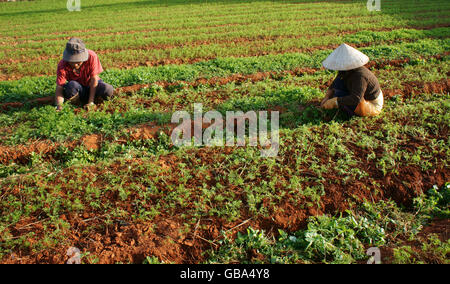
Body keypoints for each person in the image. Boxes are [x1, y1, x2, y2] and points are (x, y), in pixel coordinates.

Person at [320, 43, 383, 117]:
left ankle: (349, 114)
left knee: (339, 95)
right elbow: (335, 84)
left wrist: (336, 101)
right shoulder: (346, 71)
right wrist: (327, 97)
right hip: (361, 96)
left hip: (371, 104)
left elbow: (356, 98)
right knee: (338, 86)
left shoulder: (360, 76)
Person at [55, 38, 114, 111]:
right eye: (72, 61)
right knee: (71, 86)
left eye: (78, 61)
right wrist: (59, 106)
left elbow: (94, 79)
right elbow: (59, 87)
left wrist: (91, 102)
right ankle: (78, 104)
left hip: (92, 86)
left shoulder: (92, 56)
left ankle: (95, 101)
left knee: (107, 89)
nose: (75, 65)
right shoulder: (62, 64)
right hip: (78, 89)